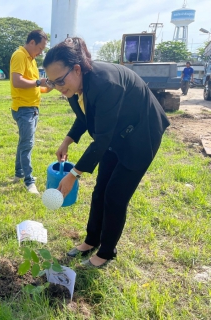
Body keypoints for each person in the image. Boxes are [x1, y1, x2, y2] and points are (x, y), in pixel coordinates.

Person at [42, 38, 170, 268]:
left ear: (77, 69)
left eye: (60, 80)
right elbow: (87, 116)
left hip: (142, 134)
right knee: (100, 191)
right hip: (116, 133)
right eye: (52, 83)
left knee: (115, 195)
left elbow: (102, 138)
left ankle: (106, 252)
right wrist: (68, 139)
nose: (59, 88)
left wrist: (74, 174)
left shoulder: (105, 83)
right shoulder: (74, 86)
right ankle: (92, 241)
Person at [10, 30, 50, 194]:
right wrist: (37, 82)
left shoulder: (31, 60)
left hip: (32, 109)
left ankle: (19, 173)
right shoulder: (20, 55)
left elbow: (36, 86)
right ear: (32, 42)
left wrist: (50, 86)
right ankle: (29, 181)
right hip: (24, 109)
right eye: (40, 48)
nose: (40, 52)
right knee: (27, 144)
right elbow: (17, 81)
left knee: (23, 143)